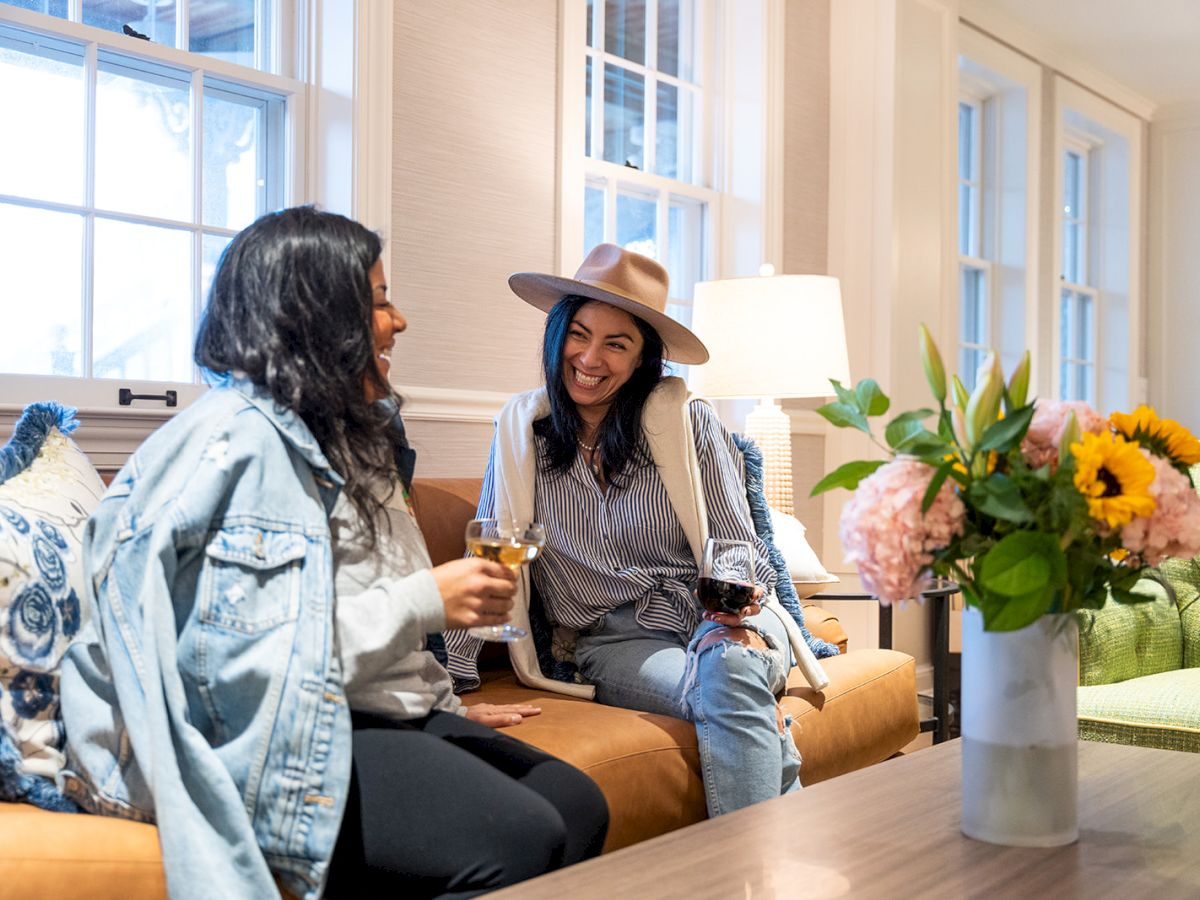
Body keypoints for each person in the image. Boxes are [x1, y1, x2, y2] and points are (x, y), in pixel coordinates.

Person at [59, 207, 608, 900]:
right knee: (518, 834)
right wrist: (424, 602)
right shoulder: (241, 445)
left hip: (354, 703)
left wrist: (442, 700)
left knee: (579, 802)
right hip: (272, 725)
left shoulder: (352, 436)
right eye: (379, 302)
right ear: (320, 319)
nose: (400, 321)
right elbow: (240, 667)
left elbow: (361, 596)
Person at [445, 243, 805, 817]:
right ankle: (771, 862)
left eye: (617, 344)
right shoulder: (522, 437)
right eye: (579, 334)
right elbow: (494, 557)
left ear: (643, 360)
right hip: (615, 642)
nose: (590, 358)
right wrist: (455, 679)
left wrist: (729, 616)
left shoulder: (688, 423)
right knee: (734, 690)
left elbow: (738, 544)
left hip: (720, 617)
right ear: (556, 335)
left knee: (731, 666)